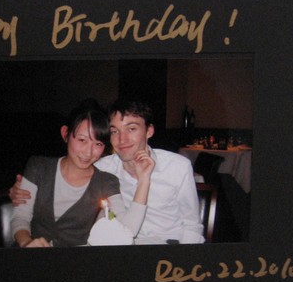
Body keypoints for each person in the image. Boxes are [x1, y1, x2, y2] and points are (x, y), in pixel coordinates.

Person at [12, 99, 205, 244]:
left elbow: (192, 226)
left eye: (131, 129)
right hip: (121, 250)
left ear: (149, 131)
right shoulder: (103, 168)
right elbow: (67, 175)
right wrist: (18, 191)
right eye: (114, 131)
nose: (122, 139)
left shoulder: (178, 167)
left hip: (166, 246)